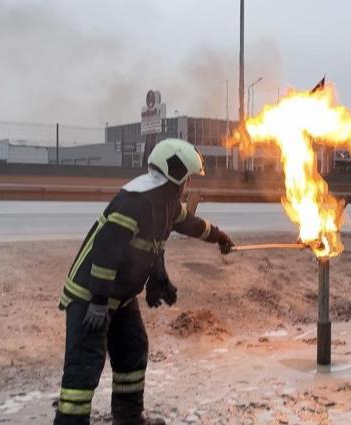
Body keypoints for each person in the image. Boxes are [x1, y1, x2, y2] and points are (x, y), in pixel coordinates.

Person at [54, 138, 234, 425]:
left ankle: (128, 418)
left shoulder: (165, 203)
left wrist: (220, 237)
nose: (187, 185)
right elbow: (106, 251)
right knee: (84, 366)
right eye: (187, 178)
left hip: (121, 298)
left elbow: (190, 225)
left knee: (133, 351)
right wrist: (98, 303)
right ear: (175, 176)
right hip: (90, 297)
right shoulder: (133, 201)